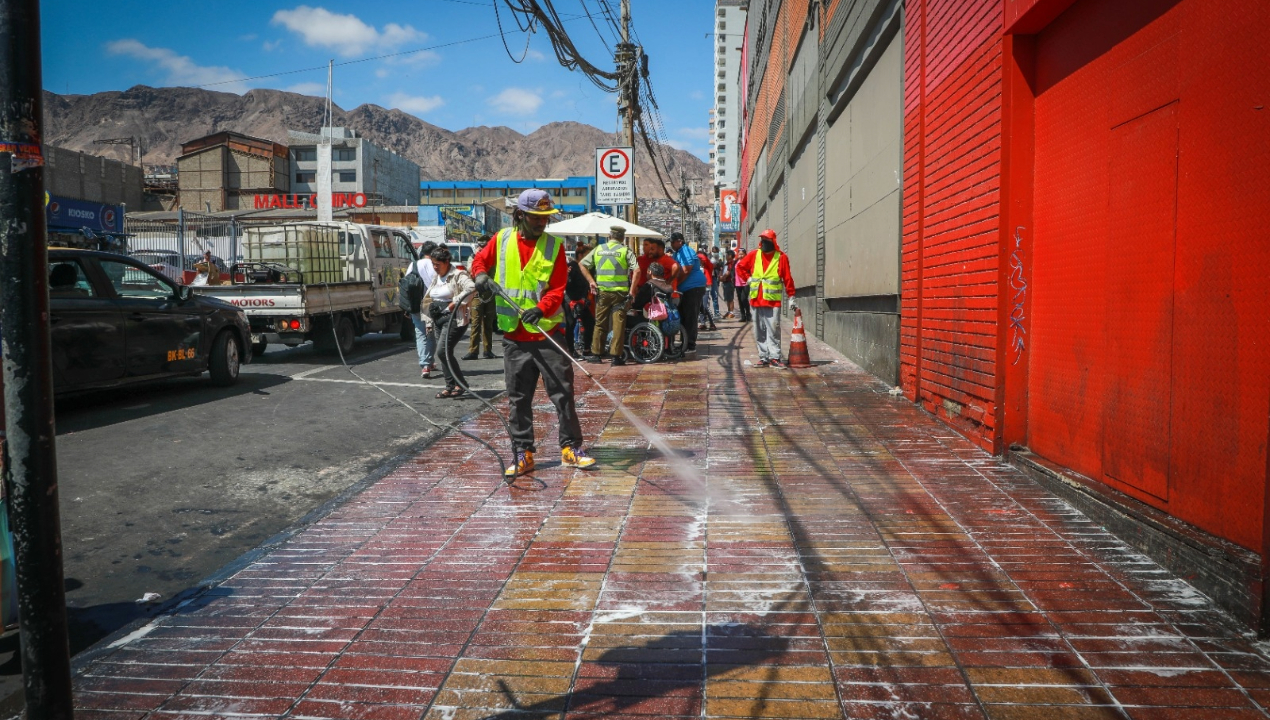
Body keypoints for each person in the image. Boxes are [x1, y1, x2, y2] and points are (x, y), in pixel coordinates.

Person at [471, 189, 597, 478]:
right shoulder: (501, 241)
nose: (543, 223)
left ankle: (570, 448)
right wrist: (479, 275)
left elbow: (556, 288)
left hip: (547, 334)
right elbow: (480, 262)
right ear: (520, 215)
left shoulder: (553, 247)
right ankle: (523, 453)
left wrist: (541, 309)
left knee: (563, 394)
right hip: (515, 338)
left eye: (546, 218)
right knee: (518, 398)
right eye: (537, 218)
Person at [735, 229, 797, 368]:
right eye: (762, 240)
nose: (763, 243)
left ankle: (774, 357)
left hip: (772, 301)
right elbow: (740, 267)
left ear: (773, 242)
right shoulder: (754, 255)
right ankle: (763, 357)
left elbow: (787, 278)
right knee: (759, 330)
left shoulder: (781, 257)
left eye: (766, 240)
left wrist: (791, 296)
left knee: (773, 329)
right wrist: (748, 278)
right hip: (756, 299)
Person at [579, 226, 636, 366]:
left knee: (600, 323)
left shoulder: (598, 249)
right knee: (618, 325)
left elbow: (582, 264)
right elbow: (638, 270)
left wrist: (592, 282)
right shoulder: (625, 250)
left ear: (610, 236)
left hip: (602, 292)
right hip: (620, 294)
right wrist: (632, 291)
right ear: (622, 238)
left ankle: (596, 354)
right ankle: (616, 357)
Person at [424, 246, 476, 399]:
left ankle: (461, 384)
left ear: (446, 262)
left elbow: (471, 288)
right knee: (445, 353)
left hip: (454, 317)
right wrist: (428, 321)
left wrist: (453, 303)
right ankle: (450, 386)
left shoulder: (458, 274)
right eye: (433, 264)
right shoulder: (436, 277)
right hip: (438, 318)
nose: (435, 267)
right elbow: (430, 298)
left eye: (437, 264)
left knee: (442, 351)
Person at [669, 232, 707, 356]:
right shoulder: (677, 253)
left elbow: (686, 270)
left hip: (693, 287)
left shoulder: (686, 251)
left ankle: (690, 344)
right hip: (684, 289)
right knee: (683, 316)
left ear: (679, 241)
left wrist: (675, 284)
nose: (671, 244)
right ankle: (684, 342)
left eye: (673, 242)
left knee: (690, 316)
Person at [462, 235, 498, 361]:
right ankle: (473, 351)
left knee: (488, 323)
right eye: (481, 246)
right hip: (478, 293)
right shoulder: (474, 257)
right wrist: (477, 257)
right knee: (476, 323)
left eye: (485, 246)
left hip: (491, 294)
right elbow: (470, 271)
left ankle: (488, 350)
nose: (482, 248)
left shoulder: (495, 257)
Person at [410, 240, 440, 378]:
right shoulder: (436, 265)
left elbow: (407, 284)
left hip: (415, 303)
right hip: (431, 303)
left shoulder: (414, 264)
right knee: (431, 334)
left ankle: (425, 365)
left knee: (421, 334)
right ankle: (429, 362)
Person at [565, 241, 596, 359]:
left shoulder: (587, 268)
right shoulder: (572, 266)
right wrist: (570, 302)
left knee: (590, 323)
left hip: (582, 300)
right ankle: (571, 350)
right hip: (570, 301)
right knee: (570, 325)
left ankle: (586, 349)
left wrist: (584, 298)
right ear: (581, 255)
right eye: (588, 255)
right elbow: (565, 285)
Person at [696, 246, 718, 332]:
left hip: (706, 288)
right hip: (697, 287)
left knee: (705, 306)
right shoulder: (695, 266)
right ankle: (703, 323)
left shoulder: (708, 265)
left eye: (700, 258)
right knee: (700, 306)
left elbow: (704, 258)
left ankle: (712, 323)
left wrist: (698, 254)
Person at [733, 247, 752, 322]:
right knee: (740, 300)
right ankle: (743, 316)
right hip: (738, 283)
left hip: (746, 283)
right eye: (739, 254)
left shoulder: (747, 262)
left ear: (745, 254)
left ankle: (748, 314)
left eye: (742, 254)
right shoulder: (736, 261)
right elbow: (732, 271)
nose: (740, 255)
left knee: (744, 299)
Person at [707, 246, 723, 317]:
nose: (714, 253)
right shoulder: (708, 257)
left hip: (714, 278)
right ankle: (707, 313)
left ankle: (716, 312)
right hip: (707, 278)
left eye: (716, 251)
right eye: (713, 251)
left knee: (715, 296)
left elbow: (720, 268)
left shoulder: (719, 259)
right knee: (706, 297)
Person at [721, 249, 737, 319]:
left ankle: (731, 312)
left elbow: (728, 272)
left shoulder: (732, 263)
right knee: (727, 298)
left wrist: (723, 277)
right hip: (725, 282)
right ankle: (728, 311)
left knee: (730, 298)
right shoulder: (726, 263)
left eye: (727, 255)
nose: (726, 256)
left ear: (730, 256)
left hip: (729, 282)